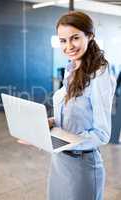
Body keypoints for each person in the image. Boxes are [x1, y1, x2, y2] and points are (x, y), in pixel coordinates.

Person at [47, 11, 116, 200]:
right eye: (63, 40)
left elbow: (102, 133)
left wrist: (63, 140)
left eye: (75, 38)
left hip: (81, 164)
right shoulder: (71, 69)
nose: (68, 46)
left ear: (90, 36)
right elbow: (73, 114)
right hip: (59, 161)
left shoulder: (99, 74)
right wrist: (50, 123)